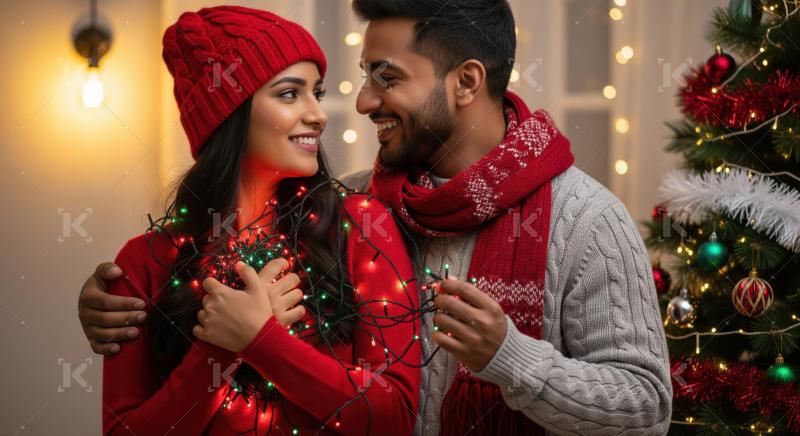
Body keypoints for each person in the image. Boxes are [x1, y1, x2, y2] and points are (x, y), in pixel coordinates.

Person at [81, 1, 673, 435]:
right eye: (364, 76)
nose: (362, 101)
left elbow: (647, 408)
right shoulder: (359, 204)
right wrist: (126, 302)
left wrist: (511, 360)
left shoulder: (586, 220)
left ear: (466, 82)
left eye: (386, 78)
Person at [97, 6, 420, 435]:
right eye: (289, 94)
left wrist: (261, 342)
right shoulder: (143, 261)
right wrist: (218, 352)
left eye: (317, 93)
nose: (318, 114)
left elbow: (393, 417)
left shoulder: (361, 226)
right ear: (230, 114)